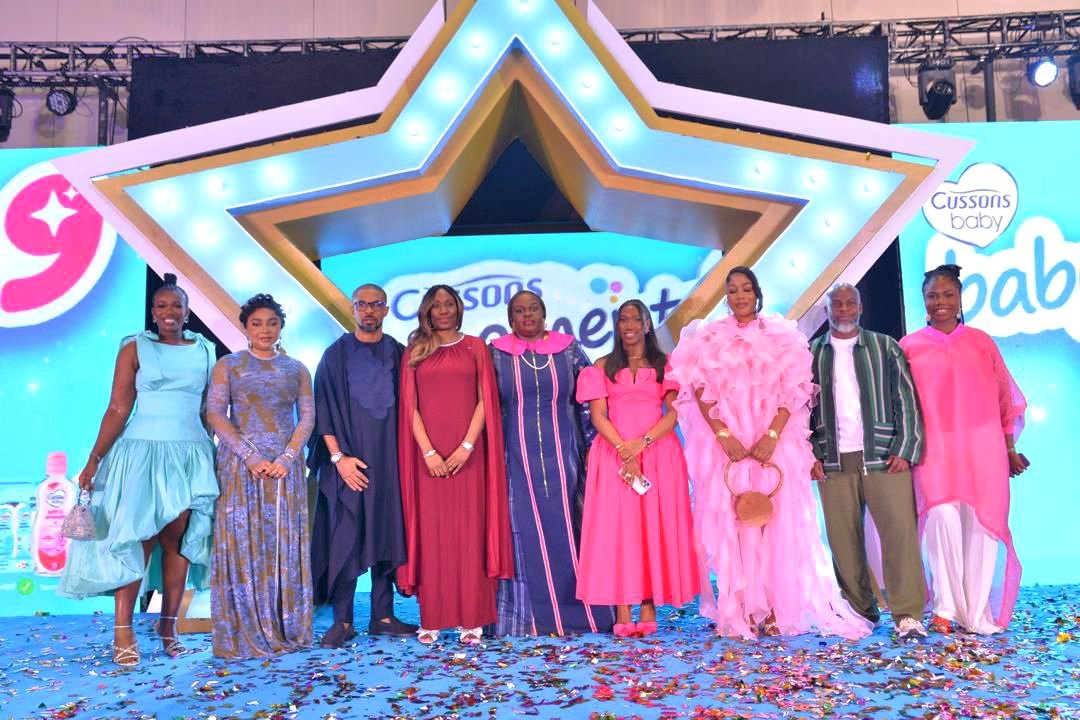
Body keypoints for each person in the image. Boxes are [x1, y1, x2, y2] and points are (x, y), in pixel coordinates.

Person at [668, 266, 870, 640]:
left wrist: (773, 435)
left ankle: (776, 608)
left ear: (757, 293)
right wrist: (723, 435)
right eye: (733, 290)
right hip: (728, 445)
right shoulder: (709, 337)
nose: (740, 296)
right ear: (726, 297)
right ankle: (742, 608)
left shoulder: (782, 337)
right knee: (735, 524)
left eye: (746, 288)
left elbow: (795, 390)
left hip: (773, 443)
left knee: (776, 524)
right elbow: (697, 387)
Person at [58, 273, 219, 666]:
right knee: (137, 539)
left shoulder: (206, 350)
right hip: (141, 454)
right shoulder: (135, 347)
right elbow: (118, 407)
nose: (170, 312)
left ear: (187, 311)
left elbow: (208, 410)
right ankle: (123, 631)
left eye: (177, 305)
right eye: (162, 306)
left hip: (191, 453)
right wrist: (94, 458)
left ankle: (168, 626)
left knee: (179, 542)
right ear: (153, 311)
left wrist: (216, 456)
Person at [900, 264, 1028, 635]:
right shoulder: (909, 346)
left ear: (959, 299)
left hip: (983, 448)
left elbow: (1005, 400)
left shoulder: (981, 342)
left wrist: (1009, 448)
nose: (940, 302)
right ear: (923, 300)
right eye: (932, 296)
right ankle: (945, 608)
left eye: (948, 294)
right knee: (941, 517)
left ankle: (976, 613)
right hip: (934, 449)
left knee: (982, 524)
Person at [488, 291, 613, 636]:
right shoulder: (495, 353)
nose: (527, 315)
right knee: (520, 531)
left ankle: (585, 615)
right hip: (514, 459)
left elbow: (590, 401)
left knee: (573, 528)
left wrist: (592, 445)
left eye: (533, 309)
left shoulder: (569, 350)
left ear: (545, 314)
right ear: (510, 318)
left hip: (566, 457)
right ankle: (525, 620)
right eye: (519, 311)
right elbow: (484, 405)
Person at [809, 283, 928, 639]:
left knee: (900, 537)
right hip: (833, 460)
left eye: (851, 303)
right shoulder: (811, 353)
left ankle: (908, 615)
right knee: (843, 543)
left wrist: (905, 448)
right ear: (827, 311)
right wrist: (810, 453)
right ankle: (860, 613)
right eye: (837, 304)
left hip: (884, 457)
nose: (844, 309)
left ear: (860, 309)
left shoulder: (884, 346)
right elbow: (802, 408)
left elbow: (905, 399)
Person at [575, 299, 699, 637]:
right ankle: (621, 608)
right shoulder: (602, 366)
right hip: (613, 455)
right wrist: (623, 449)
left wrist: (641, 444)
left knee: (650, 529)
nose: (628, 325)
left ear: (646, 325)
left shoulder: (665, 365)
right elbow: (598, 415)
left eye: (635, 319)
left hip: (657, 454)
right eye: (623, 319)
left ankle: (647, 606)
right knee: (618, 530)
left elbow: (675, 412)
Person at [397, 284, 513, 644]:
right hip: (427, 459)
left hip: (469, 456)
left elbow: (485, 400)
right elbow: (409, 405)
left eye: (449, 304)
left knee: (469, 534)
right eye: (437, 305)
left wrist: (466, 446)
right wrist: (428, 452)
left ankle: (471, 620)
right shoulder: (415, 351)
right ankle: (432, 618)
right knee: (432, 535)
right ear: (427, 311)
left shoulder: (476, 347)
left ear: (458, 308)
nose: (444, 310)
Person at [206, 294, 315, 658]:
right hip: (241, 466)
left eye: (272, 323)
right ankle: (243, 631)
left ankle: (286, 627)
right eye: (257, 323)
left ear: (281, 326)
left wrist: (288, 457)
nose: (265, 330)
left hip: (285, 467)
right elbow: (215, 413)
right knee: (242, 542)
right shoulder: (229, 365)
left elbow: (307, 416)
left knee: (282, 542)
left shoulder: (297, 368)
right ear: (245, 328)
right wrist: (249, 456)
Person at [308, 284, 415, 648]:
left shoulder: (399, 353)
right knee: (346, 537)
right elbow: (321, 409)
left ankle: (383, 616)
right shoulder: (334, 356)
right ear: (353, 309)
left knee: (387, 532)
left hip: (390, 463)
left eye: (376, 304)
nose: (368, 310)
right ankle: (343, 620)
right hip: (348, 464)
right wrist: (338, 459)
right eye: (362, 304)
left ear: (386, 310)